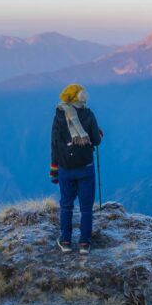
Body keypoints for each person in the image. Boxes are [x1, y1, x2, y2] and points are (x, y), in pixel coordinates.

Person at [49, 83, 103, 254]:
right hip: (85, 167)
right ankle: (84, 244)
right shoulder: (88, 114)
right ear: (78, 97)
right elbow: (96, 140)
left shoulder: (58, 116)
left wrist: (54, 169)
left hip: (65, 168)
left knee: (66, 205)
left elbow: (55, 144)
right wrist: (99, 134)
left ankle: (65, 241)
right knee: (86, 207)